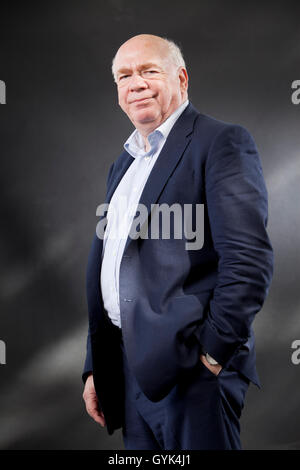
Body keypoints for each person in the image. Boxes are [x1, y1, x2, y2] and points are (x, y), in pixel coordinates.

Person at [82, 34, 273, 450]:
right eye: (124, 76)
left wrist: (212, 356)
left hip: (192, 373)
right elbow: (115, 268)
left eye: (149, 71)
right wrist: (97, 366)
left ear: (181, 79)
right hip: (129, 373)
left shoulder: (220, 142)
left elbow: (249, 261)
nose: (136, 83)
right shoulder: (124, 164)